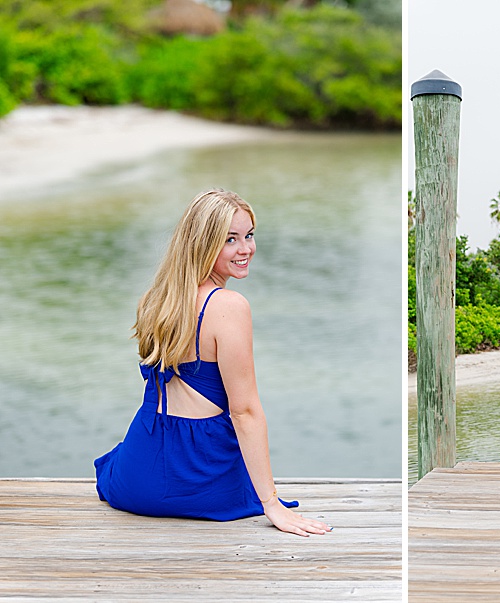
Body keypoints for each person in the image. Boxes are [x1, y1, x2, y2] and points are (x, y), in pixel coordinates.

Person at [95, 189, 332, 536]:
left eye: (249, 236)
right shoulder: (229, 306)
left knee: (116, 458)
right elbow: (244, 412)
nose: (246, 249)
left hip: (136, 478)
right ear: (204, 243)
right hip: (200, 476)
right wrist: (271, 504)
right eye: (230, 239)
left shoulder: (157, 299)